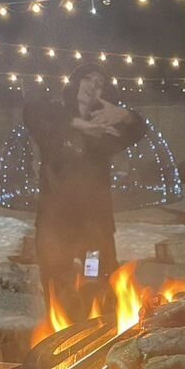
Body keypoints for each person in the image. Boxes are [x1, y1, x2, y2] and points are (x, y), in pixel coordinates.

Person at [23, 63, 145, 311]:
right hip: (55, 224)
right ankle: (62, 329)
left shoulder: (105, 127)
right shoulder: (55, 116)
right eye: (88, 79)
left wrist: (125, 115)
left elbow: (138, 130)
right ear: (75, 82)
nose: (93, 86)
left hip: (94, 226)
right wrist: (77, 124)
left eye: (99, 83)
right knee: (56, 282)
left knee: (97, 278)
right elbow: (31, 114)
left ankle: (98, 328)